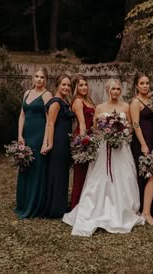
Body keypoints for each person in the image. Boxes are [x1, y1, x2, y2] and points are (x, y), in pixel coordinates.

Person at [62, 79, 144, 236]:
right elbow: (94, 129)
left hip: (121, 148)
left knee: (123, 177)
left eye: (118, 89)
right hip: (104, 148)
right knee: (100, 178)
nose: (116, 91)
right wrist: (105, 134)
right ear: (107, 90)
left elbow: (131, 126)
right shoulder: (99, 107)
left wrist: (122, 134)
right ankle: (94, 208)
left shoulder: (126, 107)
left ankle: (123, 209)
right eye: (113, 88)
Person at [16, 66, 52, 219]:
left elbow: (49, 120)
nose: (39, 79)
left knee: (37, 167)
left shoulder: (47, 94)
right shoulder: (27, 93)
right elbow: (22, 115)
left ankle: (34, 204)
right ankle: (23, 202)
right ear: (33, 78)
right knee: (25, 166)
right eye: (36, 76)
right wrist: (19, 135)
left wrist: (45, 141)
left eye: (42, 77)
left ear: (46, 80)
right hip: (27, 135)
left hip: (39, 135)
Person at [130, 72, 153, 225]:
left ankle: (146, 210)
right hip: (140, 142)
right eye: (142, 83)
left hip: (151, 141)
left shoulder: (149, 100)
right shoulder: (135, 102)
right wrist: (143, 144)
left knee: (151, 174)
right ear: (136, 85)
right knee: (149, 174)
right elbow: (135, 124)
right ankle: (146, 211)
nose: (145, 86)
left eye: (147, 83)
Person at [41, 74, 74, 218]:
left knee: (62, 173)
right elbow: (50, 124)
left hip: (65, 140)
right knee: (57, 173)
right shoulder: (55, 102)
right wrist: (50, 143)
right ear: (57, 85)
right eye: (64, 85)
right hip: (58, 140)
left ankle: (60, 204)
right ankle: (55, 208)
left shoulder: (64, 100)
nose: (66, 87)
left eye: (68, 85)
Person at [70, 75, 95, 209]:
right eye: (80, 85)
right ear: (76, 87)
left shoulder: (89, 100)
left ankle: (86, 204)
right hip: (82, 139)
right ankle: (76, 205)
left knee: (89, 175)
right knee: (80, 175)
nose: (84, 87)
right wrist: (84, 142)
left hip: (91, 138)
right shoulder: (78, 101)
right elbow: (82, 124)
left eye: (85, 84)